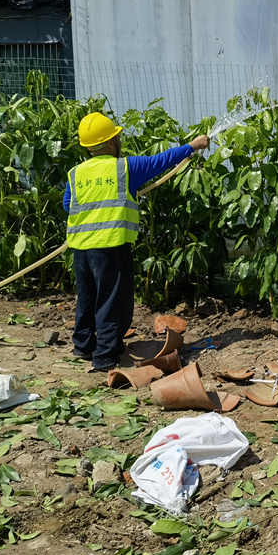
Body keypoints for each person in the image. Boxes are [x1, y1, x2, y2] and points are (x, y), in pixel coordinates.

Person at [63, 112, 208, 371]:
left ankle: (83, 346)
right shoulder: (126, 168)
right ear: (110, 143)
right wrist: (193, 146)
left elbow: (67, 205)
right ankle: (105, 357)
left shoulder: (75, 173)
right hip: (110, 246)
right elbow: (161, 161)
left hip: (81, 249)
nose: (119, 140)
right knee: (112, 301)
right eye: (116, 137)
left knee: (87, 298)